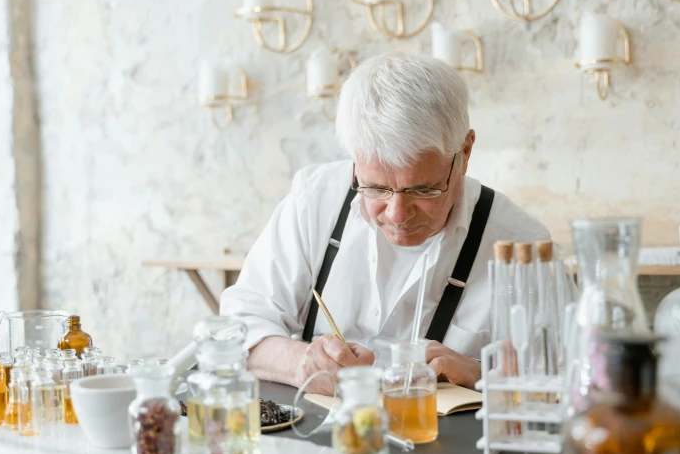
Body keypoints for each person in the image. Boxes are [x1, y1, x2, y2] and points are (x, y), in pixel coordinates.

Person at [221, 53, 550, 391]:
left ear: (464, 154)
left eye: (423, 189)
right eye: (376, 188)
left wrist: (485, 374)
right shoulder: (316, 199)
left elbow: (570, 375)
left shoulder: (523, 246)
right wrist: (300, 363)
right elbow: (236, 329)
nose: (397, 214)